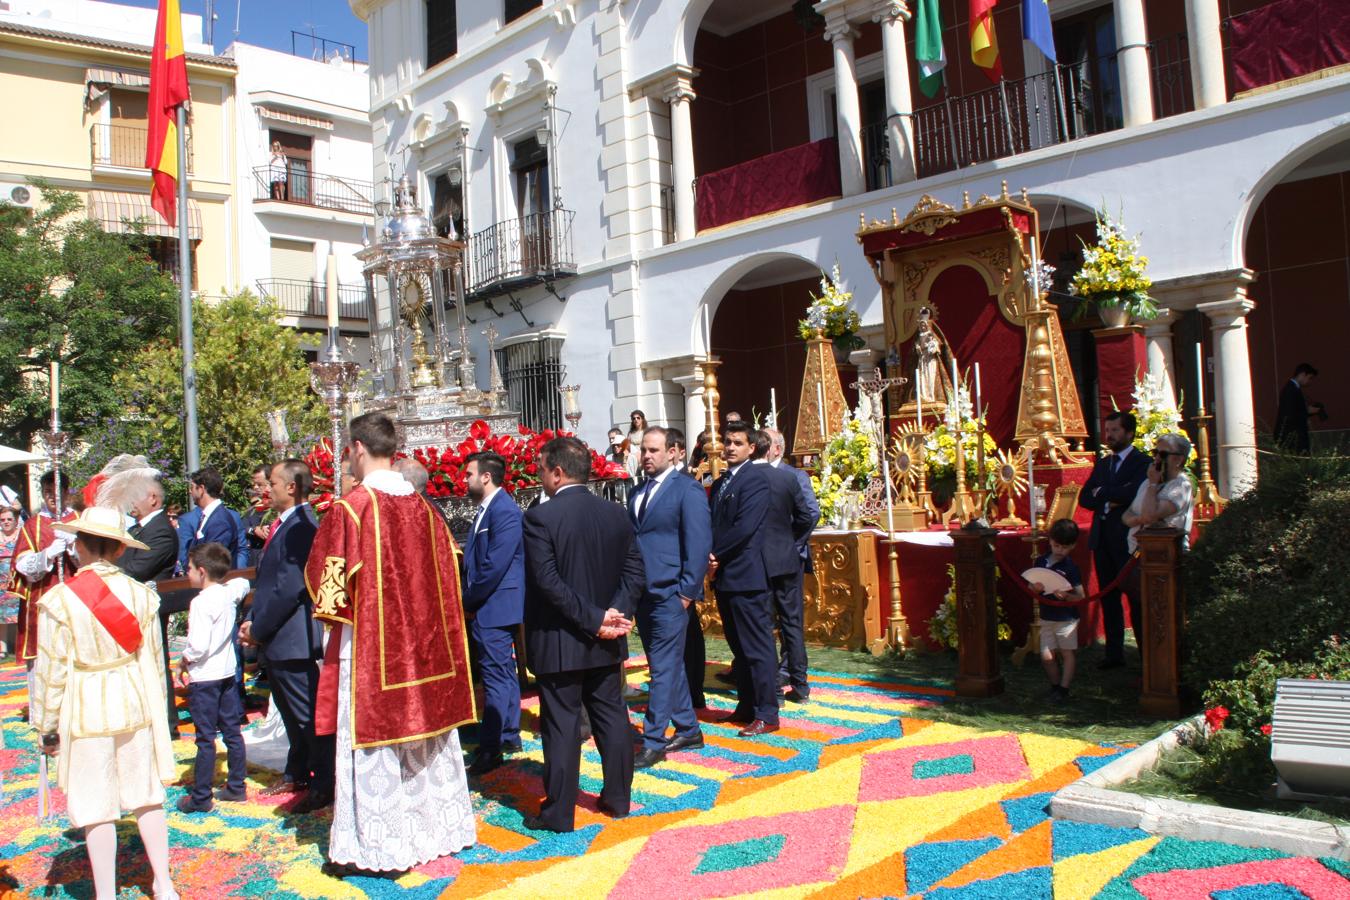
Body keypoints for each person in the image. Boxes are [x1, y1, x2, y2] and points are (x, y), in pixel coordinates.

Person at [306, 412, 476, 872]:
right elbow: (448, 579)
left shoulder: (352, 508)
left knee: (374, 747)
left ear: (358, 448)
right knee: (425, 744)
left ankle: (378, 846)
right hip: (426, 653)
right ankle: (438, 827)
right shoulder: (425, 509)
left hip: (372, 651)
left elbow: (330, 590)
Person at [31, 505, 177, 900]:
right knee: (146, 796)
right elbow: (156, 666)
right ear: (117, 549)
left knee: (96, 804)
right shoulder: (141, 595)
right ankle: (163, 884)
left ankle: (106, 893)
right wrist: (158, 711)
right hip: (134, 700)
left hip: (86, 706)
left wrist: (45, 725)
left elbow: (51, 672)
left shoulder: (60, 601)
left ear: (80, 545)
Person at [521, 436, 645, 833]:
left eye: (541, 468)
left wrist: (597, 618)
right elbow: (635, 573)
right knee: (611, 715)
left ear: (557, 473)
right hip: (605, 638)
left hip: (562, 639)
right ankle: (619, 798)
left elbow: (547, 583)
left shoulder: (541, 517)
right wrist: (615, 615)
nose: (539, 476)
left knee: (561, 724)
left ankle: (559, 813)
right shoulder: (615, 512)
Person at [239, 459, 331, 810]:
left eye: (273, 483)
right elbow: (267, 583)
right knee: (291, 714)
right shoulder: (284, 523)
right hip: (278, 635)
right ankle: (297, 771)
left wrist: (259, 628)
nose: (268, 489)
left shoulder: (303, 526)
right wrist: (254, 622)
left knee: (306, 714)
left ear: (292, 486)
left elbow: (289, 586)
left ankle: (323, 782)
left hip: (292, 636)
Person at [629, 427, 711, 769]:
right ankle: (689, 729)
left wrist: (686, 593)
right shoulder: (636, 492)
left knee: (661, 669)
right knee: (669, 666)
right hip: (643, 594)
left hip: (671, 594)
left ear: (674, 452)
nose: (646, 456)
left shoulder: (687, 490)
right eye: (643, 450)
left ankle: (653, 740)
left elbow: (698, 543)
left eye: (653, 450)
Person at [708, 422, 781, 736]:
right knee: (739, 647)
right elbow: (714, 522)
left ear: (752, 448)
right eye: (728, 442)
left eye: (737, 443)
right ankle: (747, 705)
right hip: (726, 576)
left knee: (758, 646)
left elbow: (744, 527)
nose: (730, 447)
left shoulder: (755, 479)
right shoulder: (724, 480)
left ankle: (768, 712)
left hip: (746, 575)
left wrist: (714, 554)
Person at [461, 451, 525, 776]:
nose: (465, 480)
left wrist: (468, 601)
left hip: (495, 607)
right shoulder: (488, 509)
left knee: (496, 676)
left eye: (469, 474)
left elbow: (494, 566)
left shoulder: (504, 510)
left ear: (486, 476)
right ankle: (508, 735)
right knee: (502, 672)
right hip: (491, 606)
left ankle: (491, 747)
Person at [177, 542, 251, 813]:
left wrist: (184, 659)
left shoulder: (199, 602)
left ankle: (201, 797)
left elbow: (198, 646)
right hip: (227, 672)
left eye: (190, 568)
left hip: (205, 676)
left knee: (205, 737)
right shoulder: (229, 593)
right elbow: (242, 582)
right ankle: (236, 785)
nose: (187, 573)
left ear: (202, 571)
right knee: (232, 731)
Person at [1078, 411, 1150, 669]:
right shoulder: (1103, 464)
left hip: (1127, 540)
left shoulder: (1142, 462)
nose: (1109, 435)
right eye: (1107, 431)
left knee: (1135, 596)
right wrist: (1108, 495)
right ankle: (1114, 653)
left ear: (1129, 433)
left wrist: (1104, 492)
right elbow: (1085, 498)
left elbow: (1133, 493)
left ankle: (1146, 654)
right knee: (1109, 597)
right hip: (1103, 539)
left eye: (1115, 431)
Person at [761, 428, 819, 702]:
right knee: (765, 621)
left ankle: (798, 680)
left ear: (778, 449)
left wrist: (792, 545)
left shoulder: (795, 475)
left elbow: (810, 514)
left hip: (789, 560)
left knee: (791, 623)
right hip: (762, 562)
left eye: (765, 443)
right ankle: (773, 679)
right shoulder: (755, 474)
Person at [13, 470, 78, 710]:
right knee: (44, 654)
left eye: (57, 492)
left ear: (66, 493)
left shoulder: (79, 520)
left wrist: (72, 547)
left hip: (76, 596)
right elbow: (21, 564)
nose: (52, 497)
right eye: (48, 492)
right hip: (43, 598)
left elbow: (94, 561)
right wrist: (46, 555)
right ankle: (43, 713)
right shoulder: (33, 524)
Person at [1031, 518, 1085, 704]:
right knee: (1047, 656)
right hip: (1047, 616)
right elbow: (1032, 586)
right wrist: (1036, 588)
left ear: (1073, 546)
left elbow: (1081, 595)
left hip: (1066, 618)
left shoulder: (1070, 567)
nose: (1060, 551)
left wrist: (1067, 596)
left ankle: (1063, 688)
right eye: (1056, 546)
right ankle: (1055, 685)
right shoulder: (1041, 560)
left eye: (1065, 547)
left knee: (1067, 652)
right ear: (1050, 541)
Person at [1123, 433, 1195, 555]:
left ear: (1179, 459)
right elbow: (1126, 516)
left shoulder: (1181, 486)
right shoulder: (1148, 482)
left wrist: (1153, 485)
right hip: (1138, 553)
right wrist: (1141, 519)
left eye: (1163, 454)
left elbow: (1150, 515)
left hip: (1166, 556)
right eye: (1155, 452)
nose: (1156, 458)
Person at [115, 476, 178, 584]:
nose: (130, 502)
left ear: (152, 498)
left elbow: (137, 571)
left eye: (134, 496)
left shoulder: (161, 532)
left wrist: (104, 578)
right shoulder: (136, 528)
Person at [1273, 362, 1322, 453]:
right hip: (1292, 437)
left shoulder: (1294, 388)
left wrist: (1306, 410)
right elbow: (1289, 413)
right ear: (1303, 374)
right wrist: (1307, 411)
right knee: (1296, 463)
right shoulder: (1290, 390)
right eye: (1309, 378)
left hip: (1292, 437)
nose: (1310, 381)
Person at [242, 464, 273, 568]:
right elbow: (242, 527)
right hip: (252, 562)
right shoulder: (253, 507)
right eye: (254, 484)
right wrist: (254, 530)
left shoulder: (278, 507)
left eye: (259, 484)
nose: (255, 487)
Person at [0, 507, 22, 656]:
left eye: (9, 519)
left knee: (20, 613)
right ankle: (3, 648)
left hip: (17, 580)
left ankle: (20, 646)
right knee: (1, 615)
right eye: (2, 520)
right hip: (0, 582)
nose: (6, 522)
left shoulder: (21, 535)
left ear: (15, 521)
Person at [623, 410, 648, 480]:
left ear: (642, 419)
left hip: (643, 455)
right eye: (634, 418)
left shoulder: (646, 431)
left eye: (638, 418)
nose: (636, 420)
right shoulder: (630, 433)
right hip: (633, 458)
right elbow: (627, 447)